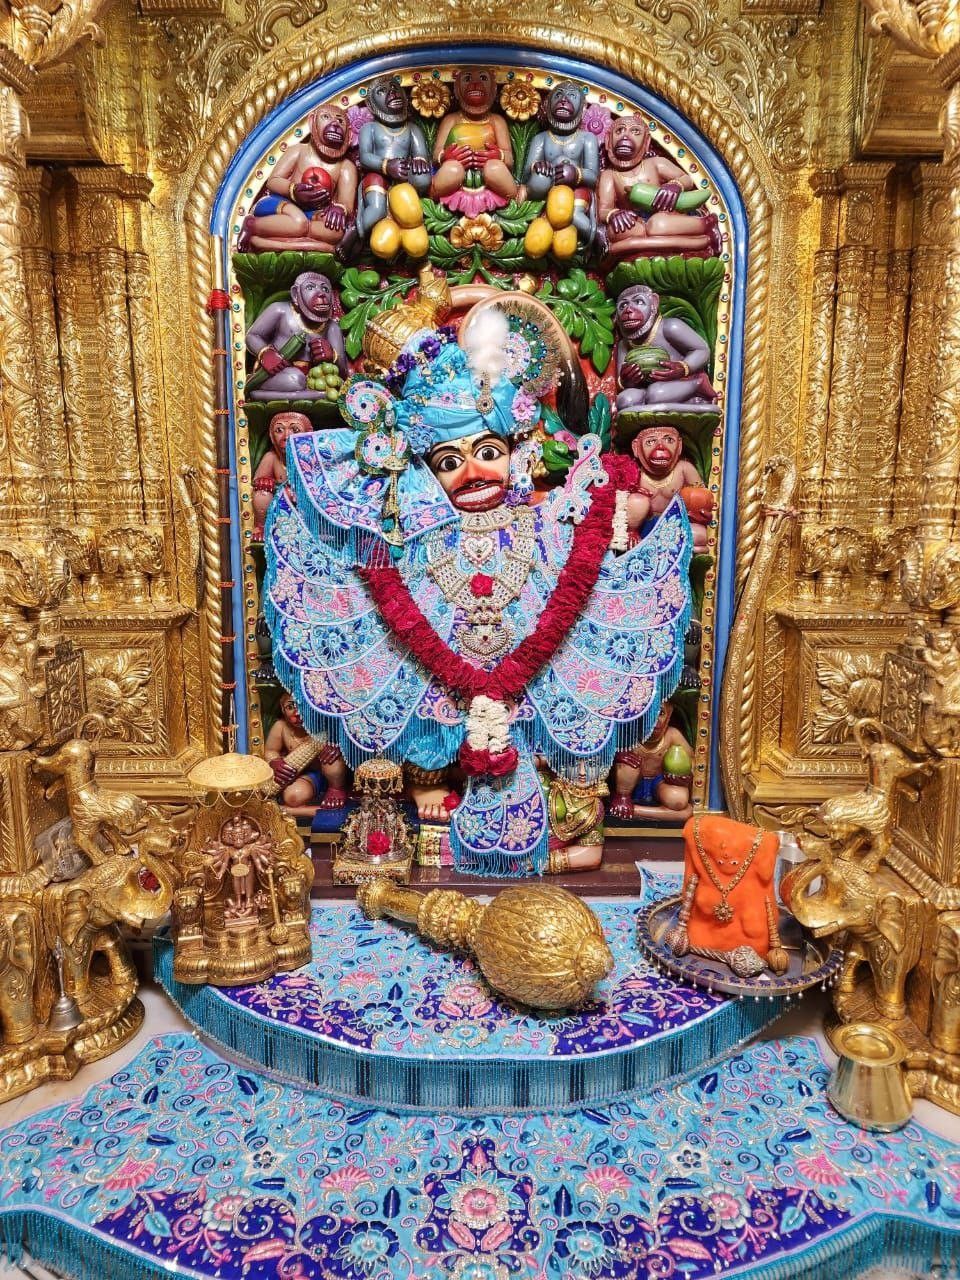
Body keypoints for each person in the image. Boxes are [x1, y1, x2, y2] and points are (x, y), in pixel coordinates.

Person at [263, 277, 692, 875]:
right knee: (408, 674)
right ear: (422, 469)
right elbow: (381, 571)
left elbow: (602, 525)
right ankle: (426, 785)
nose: (472, 472)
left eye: (487, 451)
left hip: (526, 648)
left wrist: (605, 505)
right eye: (449, 461)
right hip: (440, 648)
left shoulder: (540, 513)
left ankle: (541, 794)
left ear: (517, 452)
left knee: (563, 674)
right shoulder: (413, 522)